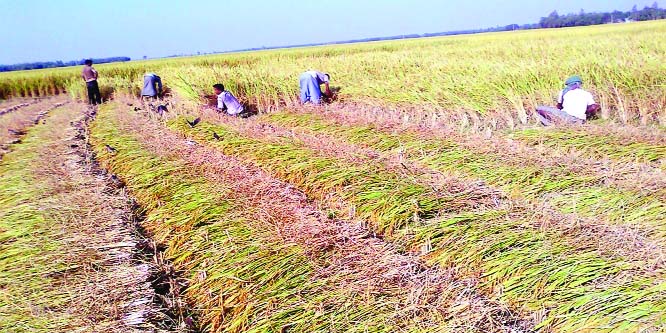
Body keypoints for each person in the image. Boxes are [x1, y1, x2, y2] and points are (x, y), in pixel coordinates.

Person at [536, 75, 600, 126]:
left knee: (538, 108)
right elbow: (593, 107)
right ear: (579, 84)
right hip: (580, 120)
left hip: (567, 117)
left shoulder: (564, 92)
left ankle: (550, 125)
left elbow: (559, 106)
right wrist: (587, 114)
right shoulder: (586, 93)